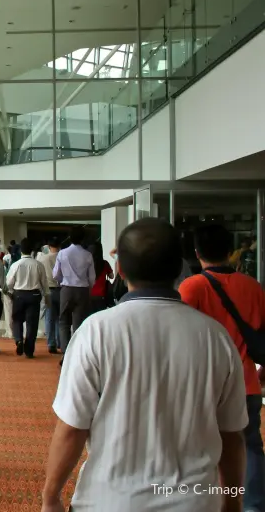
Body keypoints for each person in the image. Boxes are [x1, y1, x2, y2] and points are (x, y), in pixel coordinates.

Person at [42, 218, 247, 512]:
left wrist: (51, 497)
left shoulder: (96, 331)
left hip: (109, 500)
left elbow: (72, 428)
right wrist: (232, 498)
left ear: (120, 270)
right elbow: (231, 436)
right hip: (196, 502)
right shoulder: (216, 337)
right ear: (179, 269)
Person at [180, 224, 265, 512]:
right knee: (249, 446)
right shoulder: (253, 287)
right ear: (231, 252)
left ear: (196, 253)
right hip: (246, 381)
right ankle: (252, 505)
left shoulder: (192, 287)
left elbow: (181, 335)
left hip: (205, 382)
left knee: (201, 446)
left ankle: (207, 501)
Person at [52, 226, 95, 365]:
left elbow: (55, 274)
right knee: (78, 323)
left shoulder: (62, 253)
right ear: (83, 238)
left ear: (69, 238)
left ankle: (65, 352)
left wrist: (62, 281)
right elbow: (92, 278)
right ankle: (76, 353)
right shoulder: (88, 255)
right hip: (82, 290)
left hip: (66, 289)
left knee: (63, 321)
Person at [5, 238, 49, 358]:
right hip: (34, 296)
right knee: (32, 323)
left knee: (17, 319)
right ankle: (29, 350)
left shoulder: (16, 265)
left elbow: (8, 283)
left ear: (21, 250)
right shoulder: (38, 265)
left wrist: (9, 293)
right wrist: (47, 296)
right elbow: (44, 283)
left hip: (19, 295)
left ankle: (19, 340)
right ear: (32, 250)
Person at [37, 237, 61, 354]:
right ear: (60, 245)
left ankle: (51, 343)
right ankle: (60, 341)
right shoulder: (63, 257)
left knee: (49, 318)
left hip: (48, 290)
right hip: (62, 290)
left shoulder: (43, 259)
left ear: (49, 246)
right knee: (61, 318)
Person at [88, 242, 114, 314]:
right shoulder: (105, 263)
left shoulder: (87, 264)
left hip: (88, 296)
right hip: (101, 297)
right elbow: (112, 276)